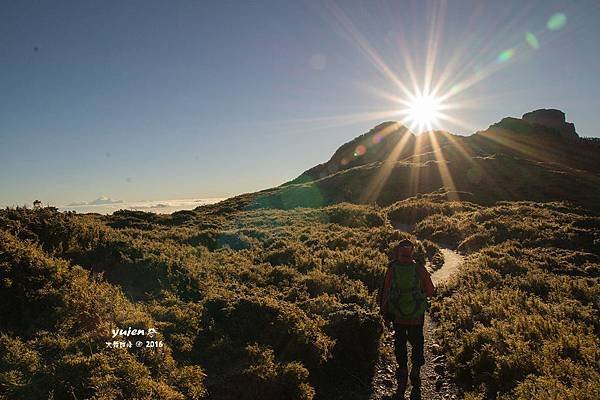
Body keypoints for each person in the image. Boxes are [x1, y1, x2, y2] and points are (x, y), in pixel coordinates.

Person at [378, 239, 435, 400]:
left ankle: (402, 369)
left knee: (400, 341)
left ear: (397, 251)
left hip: (397, 314)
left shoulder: (392, 268)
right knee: (417, 341)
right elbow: (430, 291)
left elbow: (385, 290)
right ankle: (416, 369)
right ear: (412, 251)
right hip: (416, 315)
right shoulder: (419, 268)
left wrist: (384, 310)